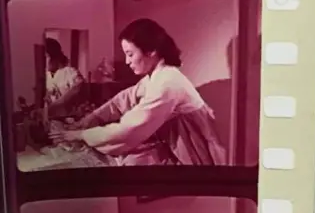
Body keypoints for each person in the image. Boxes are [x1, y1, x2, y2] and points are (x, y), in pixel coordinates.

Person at [49, 19, 226, 166]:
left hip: (191, 151)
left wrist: (81, 135)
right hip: (173, 143)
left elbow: (128, 129)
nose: (127, 61)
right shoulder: (157, 75)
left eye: (130, 54)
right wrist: (92, 118)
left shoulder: (167, 83)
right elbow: (123, 99)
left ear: (151, 51)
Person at [44, 37, 85, 117]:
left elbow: (76, 90)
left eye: (46, 57)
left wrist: (52, 107)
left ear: (54, 57)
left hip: (70, 118)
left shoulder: (71, 72)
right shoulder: (46, 76)